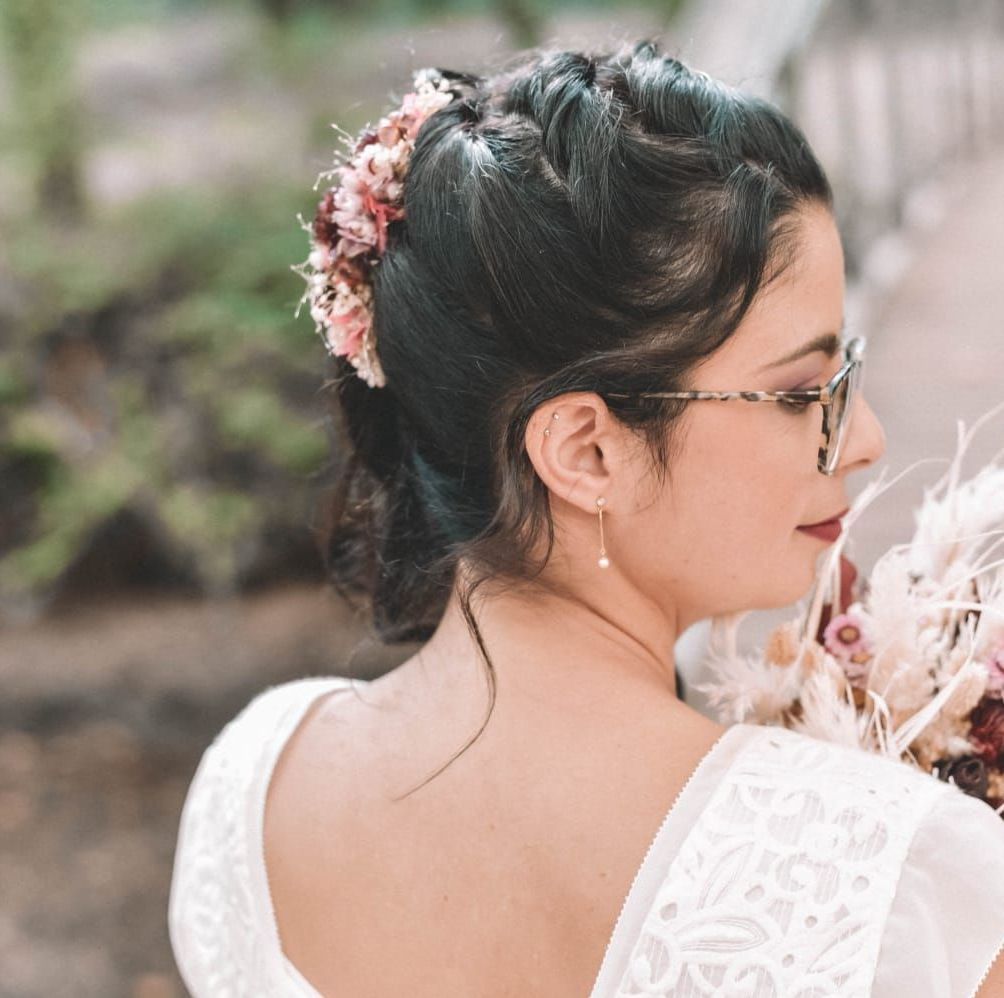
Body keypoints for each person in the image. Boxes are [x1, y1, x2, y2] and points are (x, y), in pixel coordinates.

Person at [168, 39, 1004, 996]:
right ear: (585, 452)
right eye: (800, 392)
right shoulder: (896, 887)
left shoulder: (249, 795)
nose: (864, 441)